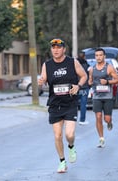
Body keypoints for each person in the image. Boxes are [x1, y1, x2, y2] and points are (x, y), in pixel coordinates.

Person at [38, 38, 87, 173]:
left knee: (69, 134)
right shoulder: (47, 65)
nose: (56, 50)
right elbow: (43, 79)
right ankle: (62, 161)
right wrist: (41, 81)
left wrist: (79, 86)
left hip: (70, 103)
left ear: (64, 49)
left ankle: (71, 146)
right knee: (58, 135)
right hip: (55, 104)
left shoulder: (72, 62)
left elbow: (84, 76)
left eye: (59, 47)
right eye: (53, 47)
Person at [88, 48, 118, 148]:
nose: (98, 57)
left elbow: (117, 80)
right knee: (98, 116)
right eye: (96, 55)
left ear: (104, 56)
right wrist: (90, 83)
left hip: (108, 96)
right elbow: (90, 81)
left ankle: (109, 121)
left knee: (106, 119)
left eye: (100, 55)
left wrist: (107, 82)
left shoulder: (109, 67)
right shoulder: (92, 69)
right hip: (97, 96)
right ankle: (101, 138)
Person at [77, 51, 90, 125]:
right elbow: (89, 76)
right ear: (84, 57)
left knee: (74, 104)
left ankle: (73, 119)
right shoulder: (87, 65)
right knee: (83, 104)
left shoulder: (74, 65)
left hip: (76, 87)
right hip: (84, 87)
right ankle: (82, 120)